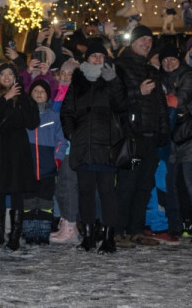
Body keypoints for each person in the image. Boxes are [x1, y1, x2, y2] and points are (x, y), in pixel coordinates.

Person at [60, 40, 126, 254]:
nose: (98, 60)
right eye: (94, 56)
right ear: (86, 59)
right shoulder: (77, 81)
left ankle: (108, 238)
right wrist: (72, 133)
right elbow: (67, 111)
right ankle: (88, 236)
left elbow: (122, 106)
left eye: (101, 56)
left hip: (106, 145)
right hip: (83, 146)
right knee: (86, 192)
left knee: (107, 192)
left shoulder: (113, 79)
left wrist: (114, 82)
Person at [114, 25, 169, 247]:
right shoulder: (120, 67)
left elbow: (160, 104)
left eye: (149, 40)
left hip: (150, 137)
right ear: (132, 42)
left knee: (144, 186)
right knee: (127, 185)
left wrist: (163, 131)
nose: (146, 43)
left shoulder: (151, 71)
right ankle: (117, 231)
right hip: (131, 137)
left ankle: (136, 230)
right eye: (142, 39)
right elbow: (115, 100)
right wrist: (139, 92)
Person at [159, 44, 192, 243]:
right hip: (171, 136)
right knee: (170, 184)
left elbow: (178, 100)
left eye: (172, 59)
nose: (169, 63)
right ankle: (175, 225)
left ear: (179, 60)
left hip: (191, 136)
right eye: (165, 61)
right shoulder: (160, 78)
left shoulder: (190, 75)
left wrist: (156, 98)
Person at [0, 61, 40, 251]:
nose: (7, 77)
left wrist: (22, 100)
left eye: (10, 74)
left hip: (18, 148)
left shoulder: (24, 97)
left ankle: (15, 236)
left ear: (16, 76)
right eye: (3, 74)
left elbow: (33, 122)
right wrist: (5, 98)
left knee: (17, 192)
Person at [23, 79, 67, 245]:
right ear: (30, 94)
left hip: (48, 167)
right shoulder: (25, 115)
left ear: (48, 95)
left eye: (43, 91)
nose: (39, 94)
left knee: (46, 200)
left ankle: (43, 232)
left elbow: (61, 140)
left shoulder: (54, 116)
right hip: (28, 167)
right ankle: (29, 231)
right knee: (29, 201)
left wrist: (57, 160)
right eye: (36, 91)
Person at [50, 58, 80, 244]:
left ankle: (71, 226)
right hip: (56, 148)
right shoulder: (55, 93)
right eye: (64, 73)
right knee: (60, 187)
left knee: (68, 187)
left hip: (70, 148)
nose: (66, 77)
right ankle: (65, 222)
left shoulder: (77, 94)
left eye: (70, 74)